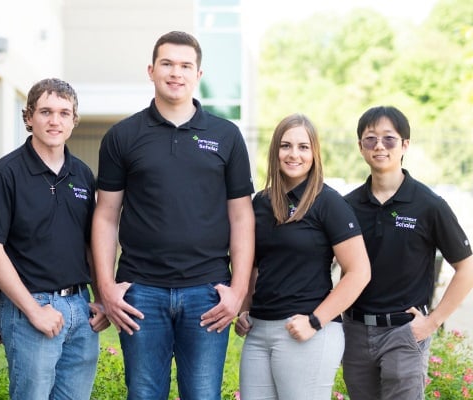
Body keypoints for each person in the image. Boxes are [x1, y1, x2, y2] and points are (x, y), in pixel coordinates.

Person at [91, 31, 255, 400]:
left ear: (199, 74)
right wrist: (105, 286)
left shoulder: (226, 136)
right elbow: (106, 215)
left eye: (185, 65)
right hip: (140, 292)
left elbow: (242, 217)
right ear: (151, 70)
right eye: (167, 64)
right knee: (145, 393)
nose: (175, 73)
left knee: (202, 394)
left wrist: (239, 291)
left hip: (208, 292)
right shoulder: (123, 136)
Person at [0, 78, 109, 400]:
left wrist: (102, 298)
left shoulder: (83, 175)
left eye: (64, 113)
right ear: (29, 117)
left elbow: (92, 244)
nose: (54, 120)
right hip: (30, 309)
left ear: (74, 121)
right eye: (46, 111)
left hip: (80, 307)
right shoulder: (5, 173)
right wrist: (34, 310)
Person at [233, 114, 371, 400]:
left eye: (303, 147)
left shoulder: (328, 202)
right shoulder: (260, 202)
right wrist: (244, 308)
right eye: (286, 146)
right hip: (259, 332)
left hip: (307, 332)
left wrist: (315, 321)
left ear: (314, 153)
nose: (294, 154)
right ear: (275, 151)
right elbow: (254, 264)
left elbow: (359, 271)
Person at [342, 105, 473, 399]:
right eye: (370, 139)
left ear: (405, 145)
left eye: (389, 139)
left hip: (404, 333)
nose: (379, 146)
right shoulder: (346, 206)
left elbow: (467, 268)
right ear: (360, 146)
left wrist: (433, 321)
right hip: (355, 332)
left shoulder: (429, 205)